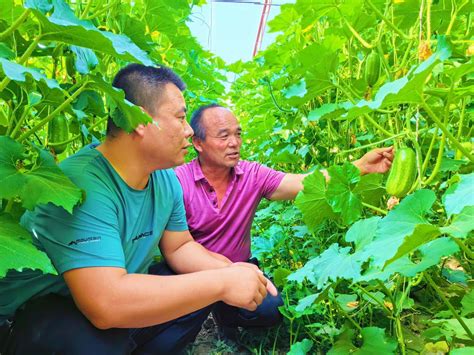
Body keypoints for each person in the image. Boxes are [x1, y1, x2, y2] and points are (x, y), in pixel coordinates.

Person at [0, 65, 277, 355]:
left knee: (191, 290)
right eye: (181, 118)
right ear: (141, 120)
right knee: (93, 337)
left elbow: (180, 246)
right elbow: (105, 304)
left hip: (100, 298)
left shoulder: (164, 177)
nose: (189, 130)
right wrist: (220, 283)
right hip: (33, 316)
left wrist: (234, 272)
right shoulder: (80, 185)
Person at [175, 104, 394, 339]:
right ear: (198, 143)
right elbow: (174, 246)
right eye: (224, 135)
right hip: (193, 273)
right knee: (170, 335)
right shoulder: (178, 180)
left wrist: (361, 166)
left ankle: (226, 318)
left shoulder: (252, 174)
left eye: (238, 134)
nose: (234, 142)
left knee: (270, 310)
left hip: (242, 272)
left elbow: (304, 183)